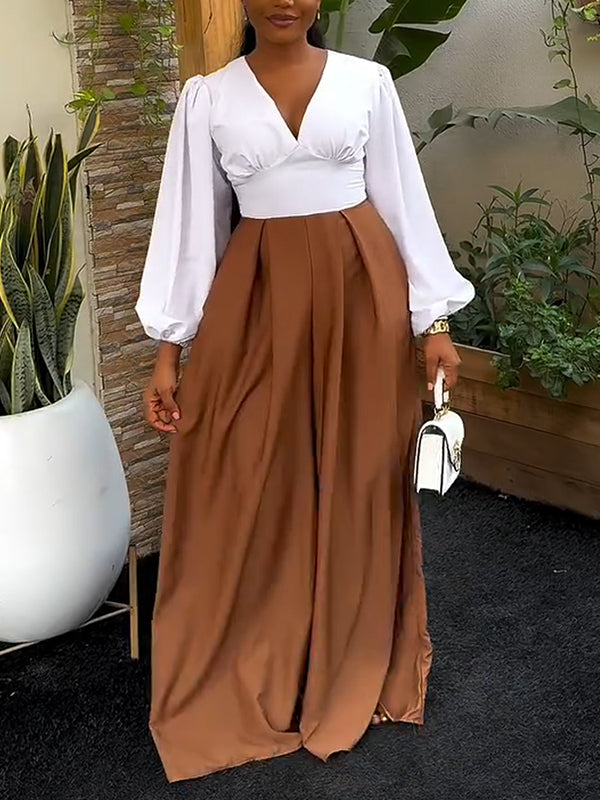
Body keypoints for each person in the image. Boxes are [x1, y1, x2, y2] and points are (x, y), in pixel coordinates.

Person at [135, 0, 474, 783]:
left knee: (359, 479)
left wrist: (434, 323)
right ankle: (263, 660)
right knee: (245, 474)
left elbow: (402, 203)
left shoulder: (367, 82)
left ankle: (349, 657)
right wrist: (168, 353)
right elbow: (188, 229)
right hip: (256, 301)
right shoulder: (208, 98)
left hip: (363, 296)